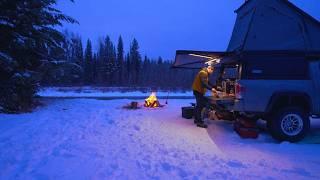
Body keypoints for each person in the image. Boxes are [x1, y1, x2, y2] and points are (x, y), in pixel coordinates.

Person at [192, 63, 216, 128]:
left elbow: (207, 82)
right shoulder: (203, 73)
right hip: (198, 91)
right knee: (200, 106)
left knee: (199, 106)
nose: (212, 72)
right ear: (209, 68)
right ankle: (199, 122)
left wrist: (215, 86)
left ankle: (196, 119)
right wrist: (212, 89)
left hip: (198, 91)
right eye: (212, 70)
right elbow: (204, 84)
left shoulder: (205, 74)